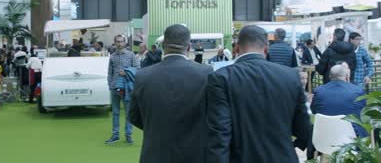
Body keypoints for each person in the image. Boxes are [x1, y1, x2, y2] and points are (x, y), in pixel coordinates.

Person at [206, 25, 310, 163]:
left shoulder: (221, 78)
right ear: (266, 48)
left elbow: (220, 133)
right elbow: (303, 129)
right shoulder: (291, 76)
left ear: (236, 48)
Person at [129, 24, 213, 163]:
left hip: (155, 153)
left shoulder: (143, 76)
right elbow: (214, 115)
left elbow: (134, 116)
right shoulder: (206, 73)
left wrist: (156, 128)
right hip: (194, 154)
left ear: (162, 45)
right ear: (189, 47)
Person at [311, 62, 367, 137]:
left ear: (329, 76)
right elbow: (364, 112)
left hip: (324, 138)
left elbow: (313, 110)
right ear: (347, 77)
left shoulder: (319, 91)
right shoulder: (358, 91)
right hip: (354, 140)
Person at [105, 35, 139, 144]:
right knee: (115, 112)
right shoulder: (112, 56)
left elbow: (138, 69)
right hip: (114, 87)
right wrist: (110, 84)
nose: (119, 43)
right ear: (114, 43)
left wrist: (127, 72)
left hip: (127, 88)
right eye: (117, 41)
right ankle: (115, 135)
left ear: (124, 43)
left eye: (121, 41)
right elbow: (109, 72)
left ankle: (128, 135)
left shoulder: (131, 55)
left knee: (128, 112)